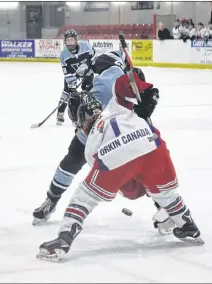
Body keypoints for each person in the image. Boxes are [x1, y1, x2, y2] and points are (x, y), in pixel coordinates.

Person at [37, 72, 203, 261]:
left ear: (78, 123)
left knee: (85, 196)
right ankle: (187, 224)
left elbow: (107, 173)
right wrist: (150, 93)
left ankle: (64, 237)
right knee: (166, 194)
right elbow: (129, 79)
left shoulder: (89, 140)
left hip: (118, 153)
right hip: (154, 145)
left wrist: (130, 184)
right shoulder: (118, 103)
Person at [32, 49, 160, 225]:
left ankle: (162, 205)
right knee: (72, 160)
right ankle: (51, 200)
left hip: (119, 127)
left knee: (141, 163)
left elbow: (143, 90)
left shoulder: (121, 87)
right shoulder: (98, 87)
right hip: (96, 119)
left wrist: (143, 95)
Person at [56, 30, 97, 125]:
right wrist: (73, 82)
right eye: (68, 40)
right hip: (73, 75)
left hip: (87, 73)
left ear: (76, 40)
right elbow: (67, 74)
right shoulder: (63, 55)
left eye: (72, 40)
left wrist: (92, 67)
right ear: (65, 41)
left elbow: (93, 56)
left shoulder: (86, 46)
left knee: (87, 93)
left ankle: (85, 114)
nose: (70, 43)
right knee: (67, 92)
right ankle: (60, 113)